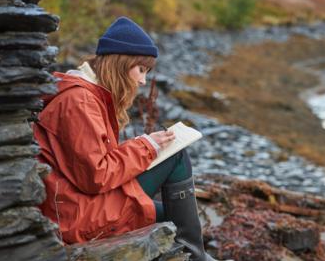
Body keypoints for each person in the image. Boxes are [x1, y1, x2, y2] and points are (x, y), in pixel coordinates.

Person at [33, 16, 217, 261]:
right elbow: (96, 176)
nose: (142, 80)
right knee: (177, 157)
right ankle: (197, 257)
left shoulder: (87, 95)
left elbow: (93, 163)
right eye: (141, 69)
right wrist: (146, 147)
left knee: (166, 213)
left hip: (77, 204)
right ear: (121, 64)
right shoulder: (79, 101)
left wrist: (146, 144)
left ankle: (195, 254)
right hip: (74, 216)